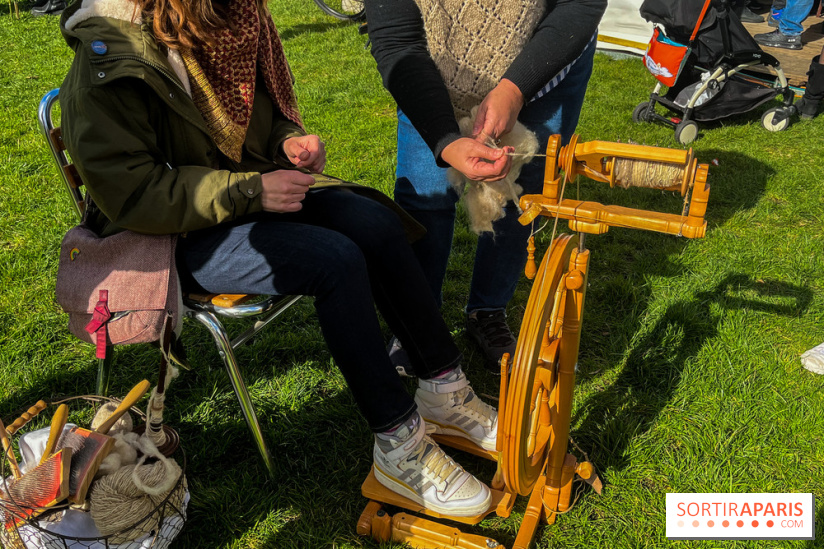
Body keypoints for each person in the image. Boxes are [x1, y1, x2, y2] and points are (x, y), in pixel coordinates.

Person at [58, 0, 497, 517]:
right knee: (332, 260)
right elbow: (130, 193)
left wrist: (288, 142)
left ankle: (442, 389)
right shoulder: (107, 54)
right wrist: (250, 190)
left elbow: (253, 123)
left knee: (375, 222)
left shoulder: (229, 22)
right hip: (162, 234)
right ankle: (398, 448)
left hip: (238, 197)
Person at [365, 0, 607, 374]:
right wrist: (445, 140)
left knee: (520, 195)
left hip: (548, 49)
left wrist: (515, 88)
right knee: (424, 197)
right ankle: (418, 320)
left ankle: (488, 311)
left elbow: (582, 4)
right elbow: (397, 40)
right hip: (432, 61)